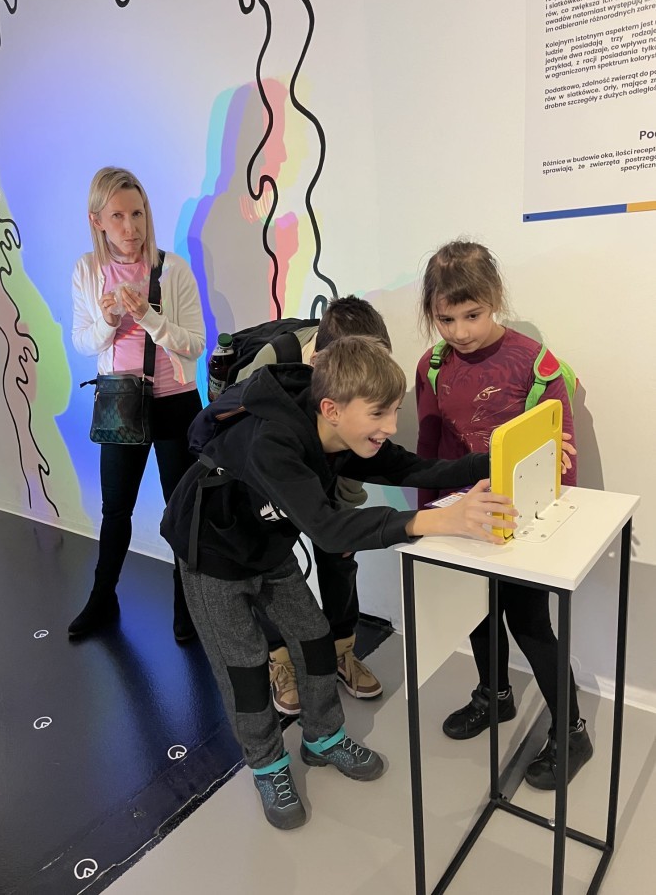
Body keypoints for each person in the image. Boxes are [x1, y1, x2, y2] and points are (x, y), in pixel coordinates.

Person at [161, 335, 517, 829]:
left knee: (314, 637)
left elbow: (413, 467)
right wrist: (438, 520)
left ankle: (323, 738)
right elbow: (329, 530)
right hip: (210, 555)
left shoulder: (341, 435)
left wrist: (499, 459)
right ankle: (267, 766)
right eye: (379, 414)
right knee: (244, 668)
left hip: (268, 548)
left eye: (394, 411)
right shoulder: (273, 442)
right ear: (332, 409)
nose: (389, 426)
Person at [415, 239, 593, 789]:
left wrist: (545, 537)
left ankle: (573, 731)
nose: (460, 331)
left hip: (522, 523)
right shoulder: (432, 366)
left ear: (494, 299)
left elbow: (561, 456)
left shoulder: (535, 365)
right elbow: (428, 448)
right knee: (476, 613)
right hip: (462, 517)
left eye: (473, 315)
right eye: (446, 319)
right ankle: (494, 695)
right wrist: (427, 521)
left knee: (529, 623)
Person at [235, 296, 393, 715]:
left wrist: (343, 518)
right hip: (267, 479)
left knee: (340, 557)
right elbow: (247, 443)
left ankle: (342, 651)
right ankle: (280, 660)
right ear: (321, 361)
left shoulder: (369, 362)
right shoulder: (271, 363)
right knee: (268, 564)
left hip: (329, 468)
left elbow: (361, 449)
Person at [69, 167, 206, 643]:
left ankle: (189, 607)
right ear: (97, 221)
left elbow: (195, 344)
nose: (131, 227)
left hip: (177, 403)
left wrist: (149, 316)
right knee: (115, 510)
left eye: (138, 213)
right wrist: (108, 320)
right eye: (118, 216)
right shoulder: (88, 270)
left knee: (182, 512)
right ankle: (101, 599)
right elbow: (83, 341)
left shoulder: (172, 269)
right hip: (120, 403)